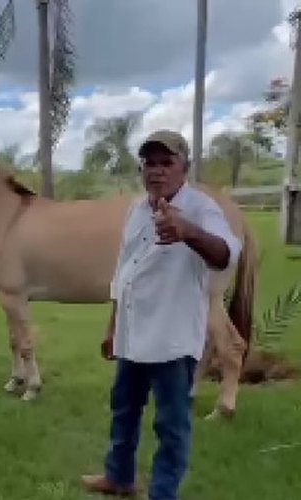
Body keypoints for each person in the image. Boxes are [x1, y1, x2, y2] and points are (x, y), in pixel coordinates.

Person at [80, 130, 242, 500]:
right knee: (123, 409)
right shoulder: (137, 210)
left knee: (171, 425)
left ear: (184, 167)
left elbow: (227, 253)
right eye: (149, 163)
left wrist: (187, 232)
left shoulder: (201, 208)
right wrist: (112, 325)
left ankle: (163, 494)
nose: (156, 171)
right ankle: (118, 478)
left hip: (172, 339)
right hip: (132, 333)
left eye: (166, 162)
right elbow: (125, 271)